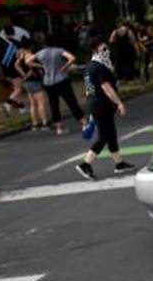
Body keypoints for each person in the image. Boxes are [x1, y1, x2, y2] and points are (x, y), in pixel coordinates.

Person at [75, 38, 136, 179]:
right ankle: (85, 164)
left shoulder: (89, 67)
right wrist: (119, 103)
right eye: (103, 49)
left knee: (111, 134)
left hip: (94, 103)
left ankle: (119, 163)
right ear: (94, 50)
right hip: (101, 105)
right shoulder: (100, 67)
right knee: (104, 136)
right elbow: (106, 88)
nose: (106, 51)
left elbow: (89, 88)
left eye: (107, 49)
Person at [34, 38, 86, 136]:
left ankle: (59, 127)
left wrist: (40, 66)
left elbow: (28, 61)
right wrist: (65, 66)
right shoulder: (59, 51)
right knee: (71, 101)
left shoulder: (41, 53)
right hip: (61, 79)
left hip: (48, 81)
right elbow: (72, 58)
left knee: (54, 104)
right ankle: (83, 122)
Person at [19, 38, 50, 130]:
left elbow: (16, 65)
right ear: (31, 46)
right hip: (34, 80)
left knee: (33, 103)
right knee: (41, 102)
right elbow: (30, 65)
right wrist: (41, 66)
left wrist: (23, 74)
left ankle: (35, 123)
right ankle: (44, 123)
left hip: (26, 82)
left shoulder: (21, 55)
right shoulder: (30, 55)